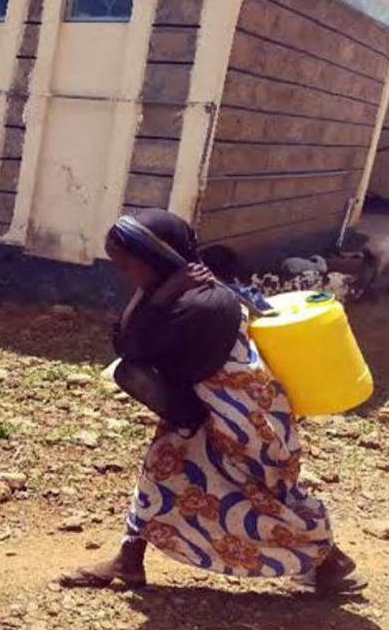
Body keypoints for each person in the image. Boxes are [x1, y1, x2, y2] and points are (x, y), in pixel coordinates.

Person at [58, 209, 366, 595]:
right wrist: (158, 288)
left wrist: (159, 292)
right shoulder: (184, 290)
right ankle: (128, 560)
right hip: (207, 411)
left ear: (157, 259)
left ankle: (330, 562)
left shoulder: (202, 304)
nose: (124, 275)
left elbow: (132, 345)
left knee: (260, 498)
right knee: (160, 473)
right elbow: (128, 338)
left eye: (127, 266)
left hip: (242, 420)